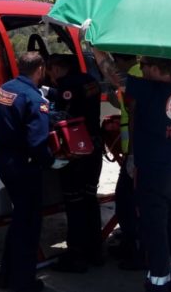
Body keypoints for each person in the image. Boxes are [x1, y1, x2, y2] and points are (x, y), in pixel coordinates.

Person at [126, 56, 171, 292]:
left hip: (151, 170)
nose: (142, 74)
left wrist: (94, 47)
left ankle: (158, 281)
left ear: (155, 68)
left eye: (144, 69)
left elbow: (113, 75)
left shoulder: (149, 90)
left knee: (154, 228)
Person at [0, 51, 56, 292]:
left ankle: (7, 275)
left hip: (5, 160)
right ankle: (23, 283)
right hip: (25, 165)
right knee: (28, 225)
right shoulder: (34, 98)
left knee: (19, 220)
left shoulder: (6, 89)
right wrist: (51, 162)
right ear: (40, 69)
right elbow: (38, 142)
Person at [46, 54, 104, 272]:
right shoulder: (90, 81)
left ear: (58, 68)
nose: (50, 77)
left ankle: (76, 256)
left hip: (76, 151)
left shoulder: (66, 86)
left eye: (50, 72)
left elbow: (62, 115)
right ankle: (96, 251)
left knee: (74, 202)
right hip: (95, 148)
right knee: (90, 199)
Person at [107, 52, 146, 270]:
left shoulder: (132, 74)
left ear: (120, 61)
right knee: (129, 201)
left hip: (135, 152)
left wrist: (132, 154)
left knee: (127, 202)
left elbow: (131, 112)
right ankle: (130, 245)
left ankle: (134, 249)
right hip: (135, 151)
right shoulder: (138, 73)